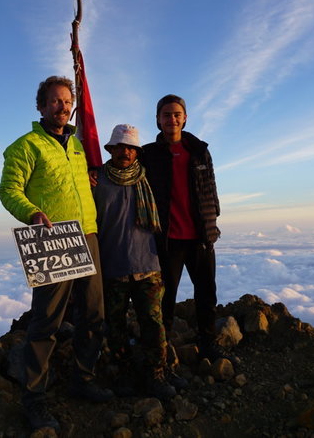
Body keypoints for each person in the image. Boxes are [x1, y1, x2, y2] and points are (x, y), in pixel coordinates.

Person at [0, 76, 112, 432]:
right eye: (54, 101)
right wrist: (31, 212)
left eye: (67, 102)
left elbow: (81, 184)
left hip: (88, 234)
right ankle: (34, 398)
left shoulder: (77, 146)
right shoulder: (26, 146)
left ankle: (83, 378)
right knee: (46, 321)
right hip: (54, 241)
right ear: (41, 106)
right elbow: (8, 190)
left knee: (93, 314)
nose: (62, 107)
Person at [93, 124, 177, 400]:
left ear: (137, 152)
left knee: (153, 322)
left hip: (147, 264)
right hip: (112, 265)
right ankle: (123, 371)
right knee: (115, 325)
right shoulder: (96, 181)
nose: (125, 152)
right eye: (119, 146)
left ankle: (157, 373)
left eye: (130, 147)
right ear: (111, 149)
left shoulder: (148, 178)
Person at [142, 94, 223, 361]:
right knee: (165, 298)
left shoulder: (199, 150)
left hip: (200, 237)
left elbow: (210, 187)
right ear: (157, 120)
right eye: (166, 115)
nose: (172, 119)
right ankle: (161, 350)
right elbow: (126, 174)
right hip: (167, 240)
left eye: (176, 114)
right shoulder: (149, 154)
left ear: (185, 118)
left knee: (206, 293)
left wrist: (212, 222)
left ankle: (208, 341)